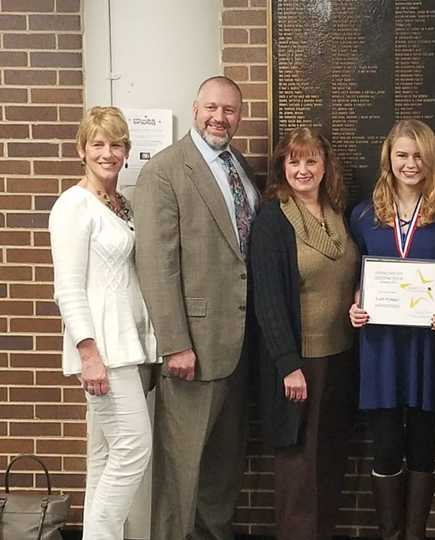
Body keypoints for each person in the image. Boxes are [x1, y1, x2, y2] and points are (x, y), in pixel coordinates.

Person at [133, 75, 260, 540]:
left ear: (239, 116)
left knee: (223, 468)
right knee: (181, 471)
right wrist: (175, 344)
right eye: (211, 108)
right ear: (194, 108)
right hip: (193, 349)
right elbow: (155, 263)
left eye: (229, 110)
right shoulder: (166, 170)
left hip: (239, 346)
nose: (219, 118)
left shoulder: (239, 166)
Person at [348, 119, 435, 540]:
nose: (410, 163)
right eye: (402, 155)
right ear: (388, 158)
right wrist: (355, 304)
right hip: (379, 345)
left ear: (430, 159)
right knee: (384, 445)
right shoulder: (362, 214)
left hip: (427, 344)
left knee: (422, 444)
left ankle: (414, 534)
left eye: (418, 155)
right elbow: (354, 275)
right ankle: (390, 534)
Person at [49, 106, 159, 539]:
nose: (107, 153)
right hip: (102, 352)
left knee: (104, 456)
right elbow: (68, 287)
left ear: (127, 152)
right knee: (133, 448)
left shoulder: (119, 205)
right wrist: (88, 352)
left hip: (125, 344)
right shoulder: (73, 205)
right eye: (98, 144)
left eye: (116, 144)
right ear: (82, 149)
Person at [250, 127, 358, 540]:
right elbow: (269, 301)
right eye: (294, 161)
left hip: (341, 356)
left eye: (311, 160)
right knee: (299, 468)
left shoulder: (335, 211)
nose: (302, 169)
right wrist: (288, 365)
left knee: (329, 459)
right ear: (282, 167)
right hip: (301, 364)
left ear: (325, 165)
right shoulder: (273, 220)